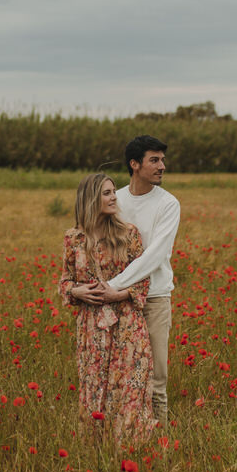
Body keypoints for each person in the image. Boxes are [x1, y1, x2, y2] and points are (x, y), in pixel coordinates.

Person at [58, 173, 155, 444]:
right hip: (91, 328)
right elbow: (64, 281)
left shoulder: (128, 234)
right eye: (106, 193)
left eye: (113, 192)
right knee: (95, 389)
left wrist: (119, 293)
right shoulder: (73, 239)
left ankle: (131, 452)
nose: (114, 197)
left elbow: (144, 279)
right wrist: (75, 291)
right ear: (90, 199)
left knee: (130, 389)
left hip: (127, 324)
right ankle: (95, 453)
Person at [98, 135, 180, 425]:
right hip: (116, 299)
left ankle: (160, 438)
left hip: (155, 297)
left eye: (163, 160)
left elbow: (155, 255)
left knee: (156, 376)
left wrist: (116, 286)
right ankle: (122, 433)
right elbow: (99, 245)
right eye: (154, 160)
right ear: (135, 164)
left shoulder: (168, 204)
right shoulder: (115, 200)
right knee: (118, 373)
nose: (162, 167)